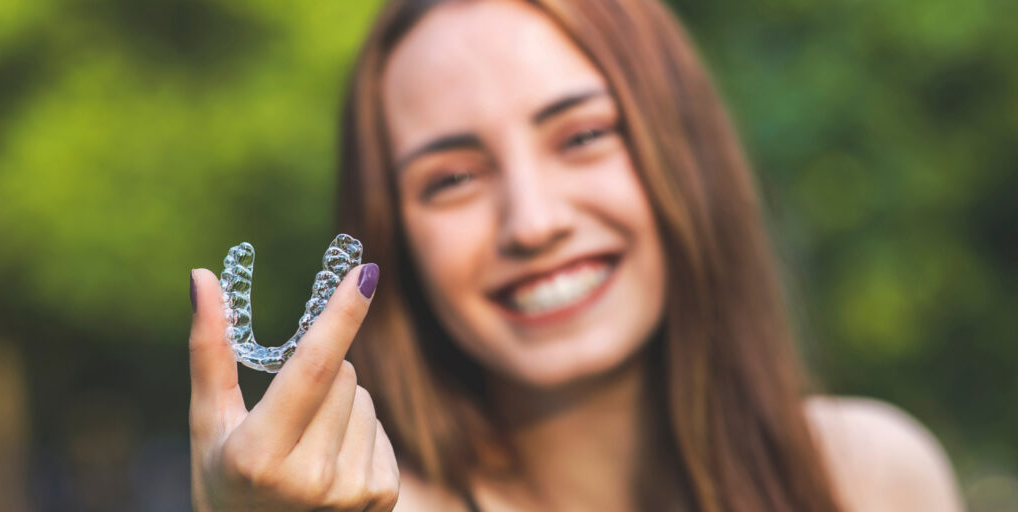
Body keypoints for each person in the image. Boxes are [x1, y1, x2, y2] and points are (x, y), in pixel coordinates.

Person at [187, 0, 966, 510]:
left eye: (585, 135)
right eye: (451, 178)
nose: (533, 222)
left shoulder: (869, 476)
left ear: (687, 152)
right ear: (395, 238)